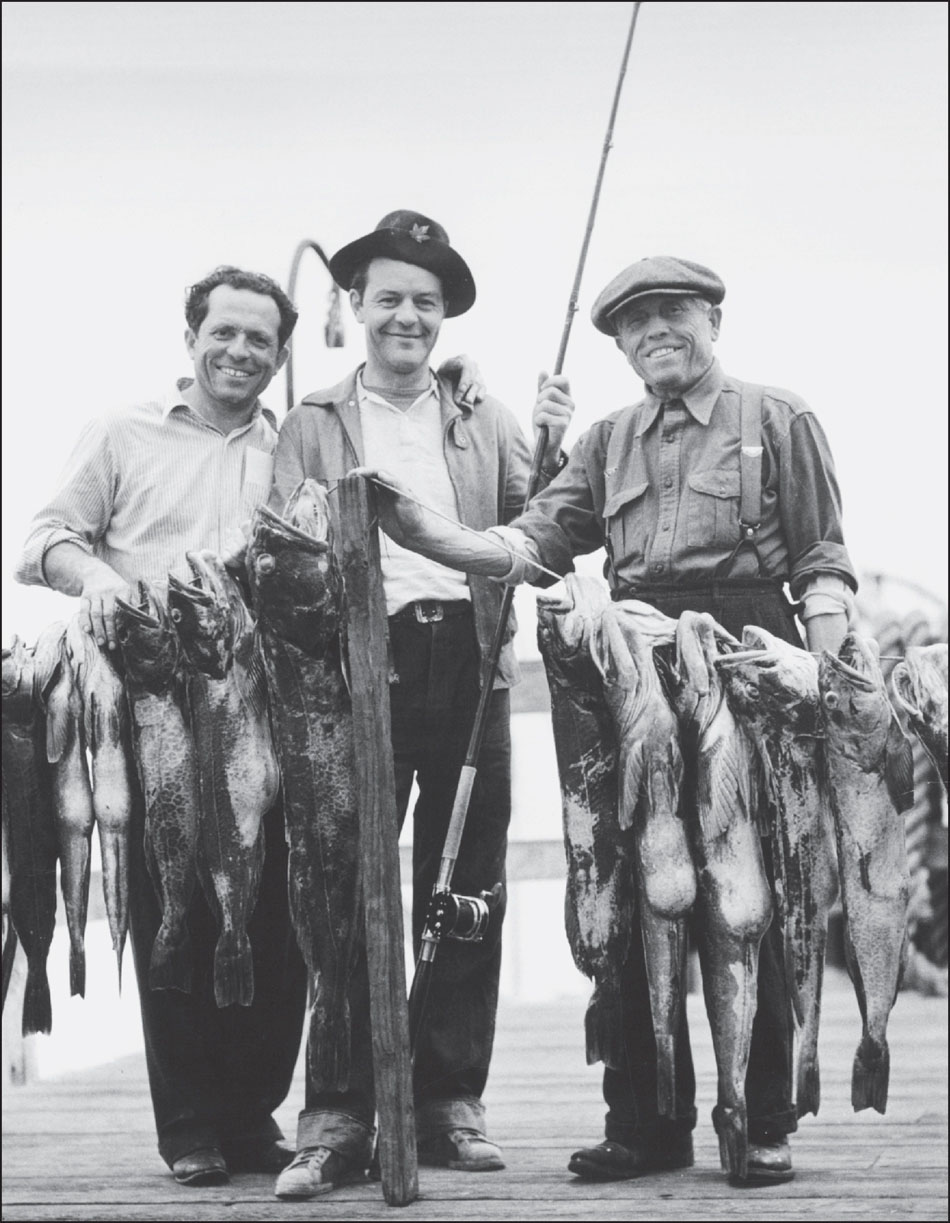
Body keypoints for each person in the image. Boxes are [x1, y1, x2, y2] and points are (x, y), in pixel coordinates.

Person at [362, 255, 858, 1187]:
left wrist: (827, 680)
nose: (655, 331)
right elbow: (535, 541)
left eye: (674, 313)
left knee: (748, 893)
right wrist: (423, 528)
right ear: (621, 344)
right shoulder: (604, 439)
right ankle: (642, 1119)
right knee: (627, 888)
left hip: (748, 659)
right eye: (634, 324)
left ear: (714, 317)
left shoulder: (779, 417)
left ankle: (759, 1117)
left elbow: (823, 562)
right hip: (631, 665)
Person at [13, 262, 483, 1186]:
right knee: (171, 904)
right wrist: (100, 581)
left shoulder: (291, 443)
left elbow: (389, 438)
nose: (239, 351)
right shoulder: (122, 432)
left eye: (259, 340)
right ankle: (188, 1121)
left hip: (268, 712)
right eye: (223, 332)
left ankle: (251, 1110)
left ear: (278, 355)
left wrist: (460, 381)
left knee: (274, 912)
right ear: (190, 336)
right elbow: (44, 541)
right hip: (152, 700)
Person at [268, 209, 573, 1200]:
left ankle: (447, 1098)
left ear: (444, 317)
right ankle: (337, 1114)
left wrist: (555, 435)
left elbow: (544, 525)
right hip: (362, 664)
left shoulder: (480, 411)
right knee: (350, 885)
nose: (408, 314)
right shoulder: (312, 419)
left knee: (469, 883)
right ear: (354, 305)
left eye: (426, 302)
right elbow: (281, 542)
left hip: (473, 655)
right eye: (390, 296)